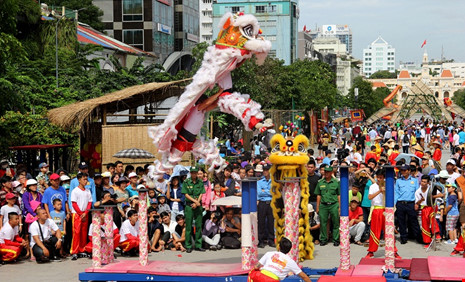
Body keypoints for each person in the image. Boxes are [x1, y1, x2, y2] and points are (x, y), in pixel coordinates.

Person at [366, 169, 401, 258]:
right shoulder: (373, 186)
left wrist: (385, 191)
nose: (379, 179)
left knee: (389, 231)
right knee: (374, 231)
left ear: (384, 178)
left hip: (386, 210)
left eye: (381, 178)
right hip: (377, 210)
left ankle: (394, 251)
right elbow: (369, 197)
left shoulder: (389, 186)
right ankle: (371, 251)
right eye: (378, 177)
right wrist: (379, 191)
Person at [394, 164, 422, 244]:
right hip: (401, 203)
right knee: (401, 221)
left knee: (414, 221)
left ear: (409, 171)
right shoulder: (398, 181)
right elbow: (397, 193)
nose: (403, 172)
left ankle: (418, 237)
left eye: (405, 170)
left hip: (411, 203)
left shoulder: (414, 181)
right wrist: (395, 204)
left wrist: (417, 203)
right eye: (402, 170)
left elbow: (417, 193)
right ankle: (403, 237)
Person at [181, 166, 205, 253]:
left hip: (198, 206)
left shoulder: (200, 182)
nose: (194, 174)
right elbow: (186, 194)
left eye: (196, 172)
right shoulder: (186, 182)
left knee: (199, 226)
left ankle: (198, 245)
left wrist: (197, 203)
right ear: (190, 173)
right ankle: (188, 245)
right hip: (189, 206)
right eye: (193, 172)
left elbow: (201, 193)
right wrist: (195, 202)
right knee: (188, 227)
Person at [315, 166, 340, 246]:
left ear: (331, 173)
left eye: (328, 172)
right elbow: (318, 195)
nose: (326, 173)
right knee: (323, 222)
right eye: (325, 172)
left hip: (334, 204)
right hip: (323, 205)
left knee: (336, 222)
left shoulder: (336, 182)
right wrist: (317, 207)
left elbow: (339, 195)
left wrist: (339, 206)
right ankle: (323, 239)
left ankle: (336, 239)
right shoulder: (320, 182)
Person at [70, 172, 93, 260]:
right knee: (76, 232)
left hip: (84, 213)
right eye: (84, 179)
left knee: (83, 232)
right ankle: (74, 251)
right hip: (77, 214)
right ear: (79, 180)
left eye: (86, 179)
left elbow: (90, 202)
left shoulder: (88, 191)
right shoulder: (75, 191)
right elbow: (74, 203)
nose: (85, 181)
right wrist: (80, 213)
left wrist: (85, 212)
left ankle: (82, 249)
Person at [415, 175, 440, 246]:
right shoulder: (418, 191)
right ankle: (427, 241)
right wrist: (421, 200)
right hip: (424, 208)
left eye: (424, 182)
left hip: (432, 206)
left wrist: (433, 196)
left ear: (428, 183)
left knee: (432, 219)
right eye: (422, 181)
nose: (422, 183)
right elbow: (417, 203)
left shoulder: (432, 189)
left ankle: (437, 233)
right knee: (425, 225)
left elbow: (441, 194)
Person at [257, 164, 274, 248]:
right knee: (261, 222)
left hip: (271, 202)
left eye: (267, 170)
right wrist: (268, 191)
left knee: (271, 222)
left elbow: (274, 192)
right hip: (262, 202)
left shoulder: (274, 181)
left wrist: (265, 191)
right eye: (264, 170)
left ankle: (271, 240)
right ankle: (261, 240)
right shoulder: (259, 182)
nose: (265, 172)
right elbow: (259, 193)